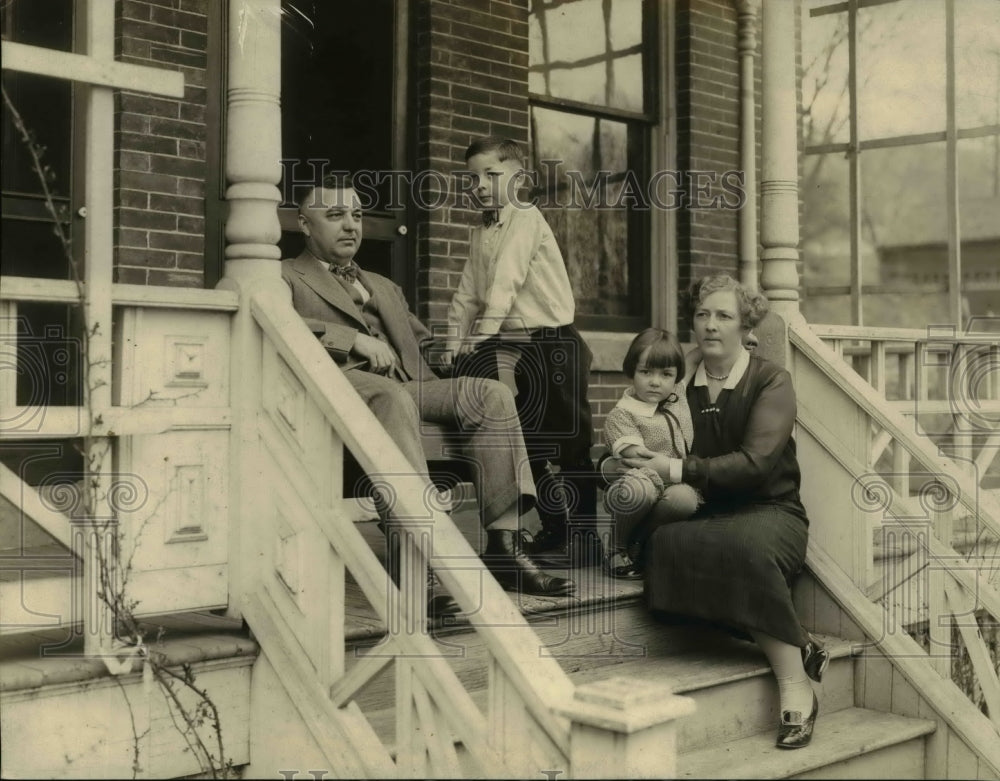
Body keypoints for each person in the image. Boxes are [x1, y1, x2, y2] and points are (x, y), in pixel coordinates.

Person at [282, 173, 574, 605]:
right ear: (305, 224)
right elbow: (279, 325)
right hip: (337, 389)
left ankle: (504, 550)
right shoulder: (283, 275)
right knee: (391, 396)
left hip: (406, 387)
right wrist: (350, 339)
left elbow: (422, 345)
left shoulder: (381, 285)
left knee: (490, 393)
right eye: (335, 215)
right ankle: (417, 558)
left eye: (357, 215)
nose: (350, 225)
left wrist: (461, 350)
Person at [617, 274, 829, 749]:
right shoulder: (678, 383)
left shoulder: (770, 379)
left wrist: (675, 468)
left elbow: (756, 464)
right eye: (702, 314)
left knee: (742, 549)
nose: (710, 325)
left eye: (724, 316)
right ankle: (802, 641)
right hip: (708, 512)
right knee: (665, 544)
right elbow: (631, 423)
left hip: (772, 511)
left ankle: (797, 687)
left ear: (745, 325)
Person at [443, 136, 601, 569]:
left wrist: (483, 333)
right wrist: (453, 342)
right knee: (530, 442)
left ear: (519, 177)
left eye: (492, 175)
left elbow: (506, 282)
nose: (480, 184)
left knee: (571, 443)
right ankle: (555, 531)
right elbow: (468, 292)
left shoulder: (526, 217)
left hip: (557, 343)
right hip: (520, 347)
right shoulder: (481, 231)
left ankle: (585, 540)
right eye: (472, 177)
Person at [601, 328, 701, 580]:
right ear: (632, 372)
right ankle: (617, 545)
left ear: (675, 377)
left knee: (685, 499)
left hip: (672, 481)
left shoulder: (676, 396)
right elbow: (638, 458)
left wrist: (738, 338)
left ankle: (640, 540)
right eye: (645, 372)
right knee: (638, 489)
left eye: (666, 374)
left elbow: (691, 359)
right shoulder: (622, 414)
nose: (655, 382)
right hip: (641, 479)